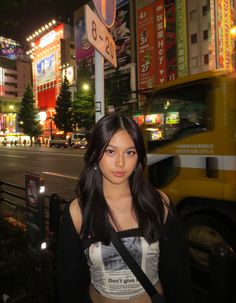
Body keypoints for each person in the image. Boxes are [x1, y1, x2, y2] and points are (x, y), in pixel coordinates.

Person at [56, 113, 193, 303]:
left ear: (139, 157)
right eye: (111, 151)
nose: (121, 162)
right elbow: (69, 284)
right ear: (96, 153)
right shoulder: (77, 211)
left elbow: (178, 276)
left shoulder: (159, 203)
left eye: (130, 152)